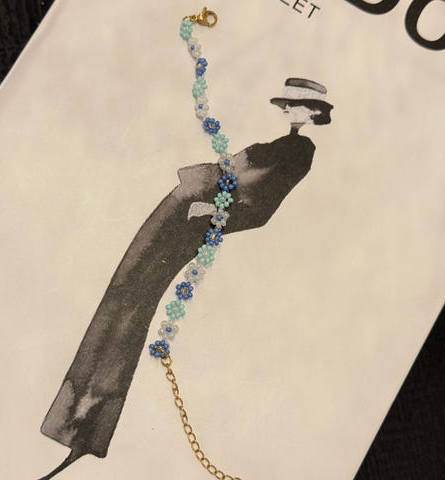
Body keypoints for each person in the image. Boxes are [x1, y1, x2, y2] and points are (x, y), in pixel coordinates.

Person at [38, 78, 333, 479]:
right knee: (123, 295)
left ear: (313, 111)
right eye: (284, 103)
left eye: (292, 104)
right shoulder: (287, 144)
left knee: (132, 302)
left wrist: (213, 213)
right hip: (180, 209)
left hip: (191, 220)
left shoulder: (299, 152)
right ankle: (75, 421)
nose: (285, 109)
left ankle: (84, 425)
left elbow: (262, 209)